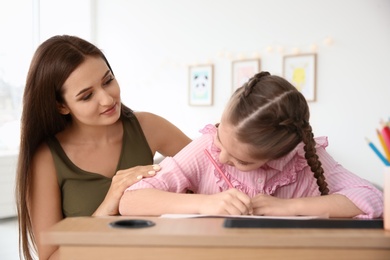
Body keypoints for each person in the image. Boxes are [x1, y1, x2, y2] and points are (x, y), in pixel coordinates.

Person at [15, 35, 191, 260]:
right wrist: (107, 208)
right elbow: (51, 257)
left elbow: (214, 168)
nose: (107, 100)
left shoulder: (149, 127)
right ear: (61, 106)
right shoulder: (46, 159)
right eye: (87, 96)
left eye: (107, 81)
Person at [119, 71, 383, 219]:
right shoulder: (206, 149)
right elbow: (131, 201)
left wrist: (289, 208)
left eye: (241, 160)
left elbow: (373, 198)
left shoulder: (303, 156)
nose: (222, 158)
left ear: (280, 153)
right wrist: (205, 204)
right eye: (221, 138)